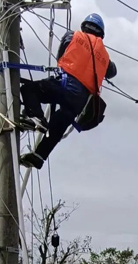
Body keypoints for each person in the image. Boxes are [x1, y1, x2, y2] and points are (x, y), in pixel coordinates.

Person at [19, 13, 117, 169]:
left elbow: (61, 56)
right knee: (58, 127)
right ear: (101, 34)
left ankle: (37, 118)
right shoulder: (105, 57)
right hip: (81, 102)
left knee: (29, 89)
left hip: (66, 85)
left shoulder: (73, 36)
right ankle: (38, 157)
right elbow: (112, 72)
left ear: (84, 26)